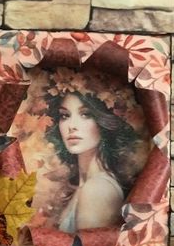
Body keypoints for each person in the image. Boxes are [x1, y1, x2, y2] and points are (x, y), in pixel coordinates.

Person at [45, 90, 139, 234]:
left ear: (103, 121)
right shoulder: (85, 185)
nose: (72, 126)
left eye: (85, 114)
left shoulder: (98, 189)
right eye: (65, 116)